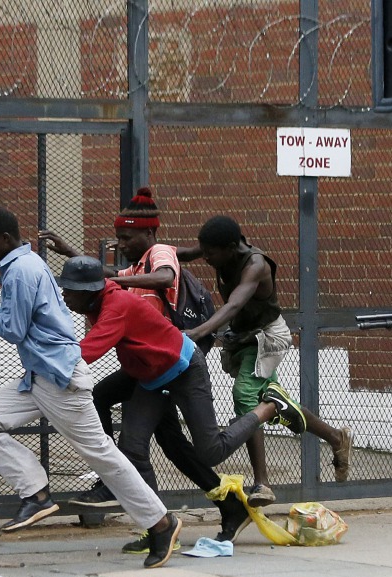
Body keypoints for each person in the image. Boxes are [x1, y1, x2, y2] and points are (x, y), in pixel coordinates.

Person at [0, 208, 182, 568]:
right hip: (40, 376)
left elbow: (13, 329)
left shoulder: (21, 271)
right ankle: (36, 493)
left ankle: (161, 522)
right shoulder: (26, 264)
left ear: (4, 239)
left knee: (102, 455)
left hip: (59, 379)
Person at [39, 188, 254, 544]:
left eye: (126, 237)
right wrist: (73, 255)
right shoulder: (134, 267)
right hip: (149, 368)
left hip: (173, 362)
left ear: (150, 233)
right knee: (164, 442)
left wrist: (116, 282)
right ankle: (167, 521)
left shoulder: (159, 252)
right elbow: (102, 276)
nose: (120, 243)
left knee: (195, 446)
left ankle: (267, 409)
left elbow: (165, 277)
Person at [58, 256, 294, 548]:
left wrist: (39, 369)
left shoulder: (115, 305)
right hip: (151, 377)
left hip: (184, 369)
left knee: (209, 451)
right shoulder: (97, 301)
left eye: (69, 290)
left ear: (89, 290)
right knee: (133, 447)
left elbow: (84, 354)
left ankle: (268, 406)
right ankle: (158, 527)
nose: (64, 295)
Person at [179, 215, 354, 507]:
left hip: (267, 337)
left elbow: (235, 303)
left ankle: (262, 483)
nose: (206, 258)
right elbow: (182, 254)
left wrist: (197, 332)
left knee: (246, 396)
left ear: (231, 247)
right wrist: (151, 254)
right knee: (273, 402)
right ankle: (336, 438)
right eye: (204, 252)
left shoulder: (256, 266)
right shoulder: (219, 247)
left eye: (210, 253)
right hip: (245, 336)